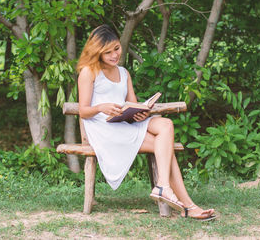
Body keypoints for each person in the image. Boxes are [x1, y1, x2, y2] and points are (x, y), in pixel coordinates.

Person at [77, 24, 215, 220]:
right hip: (105, 129)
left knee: (165, 124)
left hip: (124, 124)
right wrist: (101, 107)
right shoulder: (89, 72)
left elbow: (132, 105)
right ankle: (187, 205)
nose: (114, 55)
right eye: (107, 52)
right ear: (97, 53)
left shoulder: (124, 73)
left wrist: (139, 114)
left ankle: (164, 188)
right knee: (166, 148)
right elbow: (83, 111)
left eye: (116, 48)